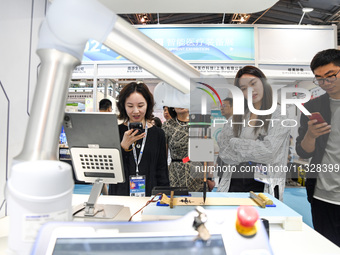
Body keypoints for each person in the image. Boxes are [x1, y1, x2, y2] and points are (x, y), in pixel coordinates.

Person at [217, 66, 291, 201]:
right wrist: (254, 149)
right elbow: (223, 150)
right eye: (244, 88)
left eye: (253, 83)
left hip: (264, 184)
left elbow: (268, 152)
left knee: (261, 221)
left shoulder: (279, 114)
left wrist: (235, 143)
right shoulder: (238, 116)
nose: (250, 90)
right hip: (234, 182)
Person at [295, 49, 340, 246]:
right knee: (326, 247)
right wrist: (311, 135)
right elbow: (303, 151)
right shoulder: (313, 107)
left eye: (331, 76)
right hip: (322, 196)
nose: (325, 83)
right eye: (319, 79)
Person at [109, 82, 169, 196]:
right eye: (130, 106)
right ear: (123, 106)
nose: (136, 111)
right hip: (121, 194)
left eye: (140, 105)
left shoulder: (158, 134)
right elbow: (110, 170)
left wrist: (164, 195)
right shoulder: (115, 131)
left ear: (148, 105)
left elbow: (162, 169)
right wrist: (123, 147)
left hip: (150, 195)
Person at [162, 107, 209, 191]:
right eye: (178, 102)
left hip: (197, 173)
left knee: (198, 202)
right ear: (172, 107)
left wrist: (209, 178)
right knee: (177, 201)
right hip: (176, 173)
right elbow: (163, 157)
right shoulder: (167, 125)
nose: (181, 105)